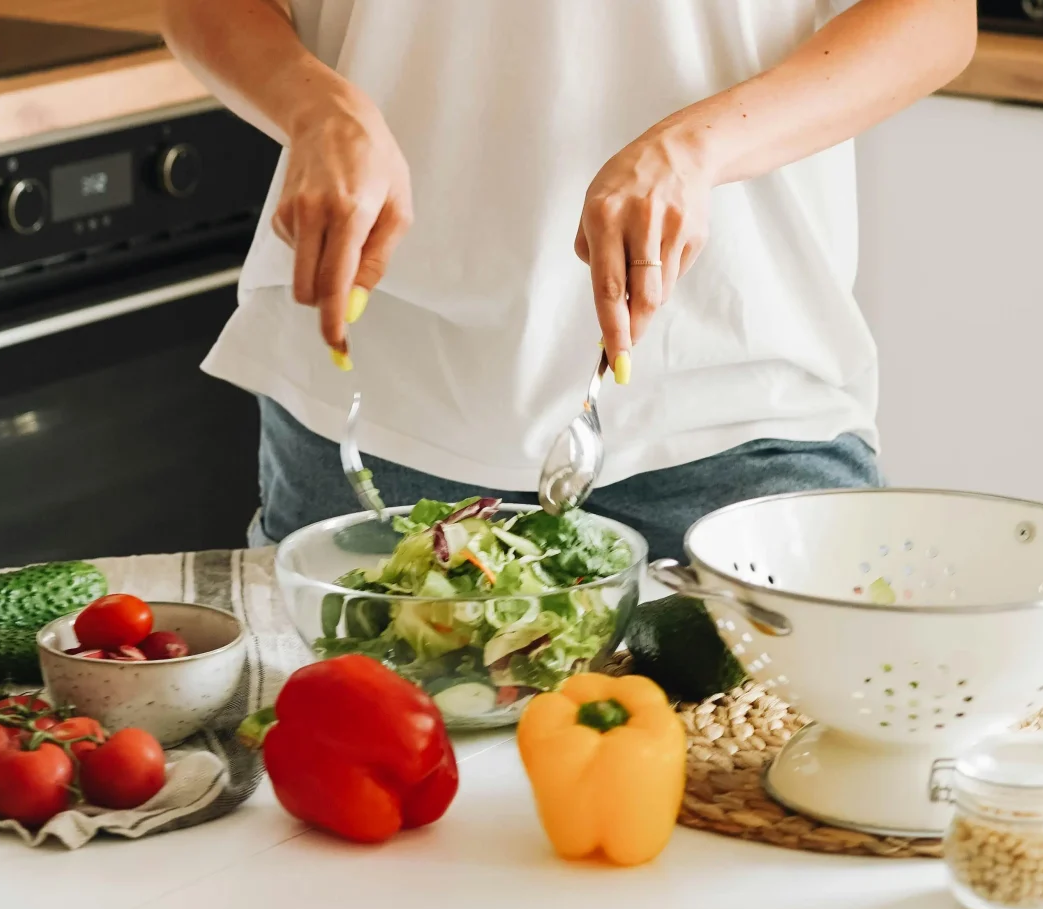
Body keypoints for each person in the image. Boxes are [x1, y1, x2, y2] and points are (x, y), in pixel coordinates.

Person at [162, 0, 976, 559]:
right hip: (373, 410)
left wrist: (698, 149)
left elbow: (938, 19)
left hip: (734, 408)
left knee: (778, 803)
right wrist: (317, 110)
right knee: (305, 817)